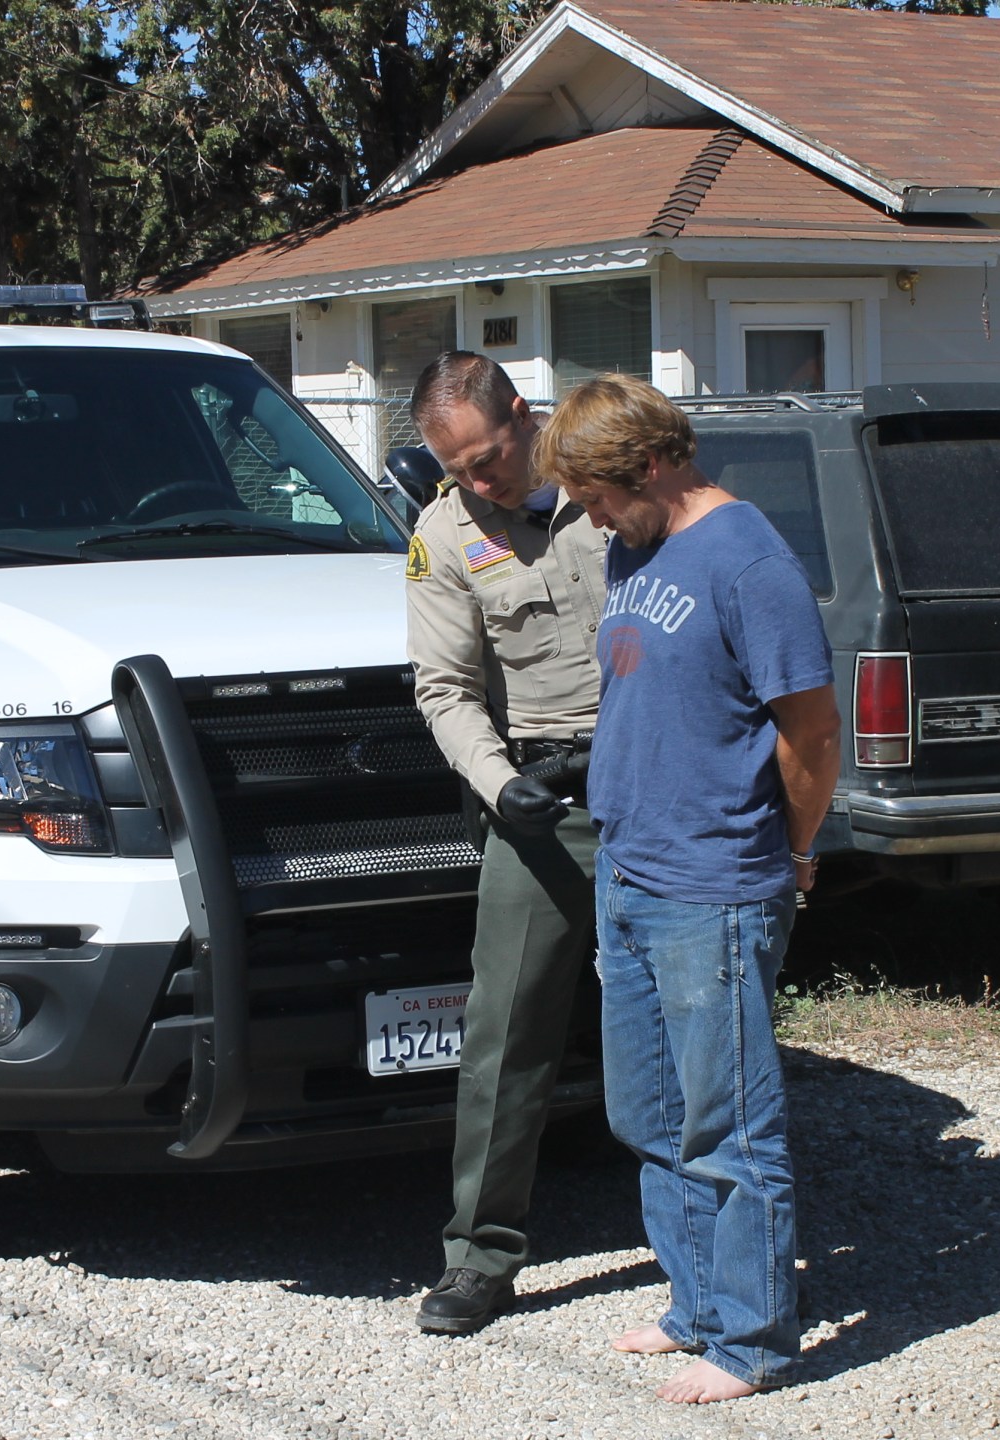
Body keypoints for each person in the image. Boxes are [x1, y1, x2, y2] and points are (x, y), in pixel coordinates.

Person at [531, 373, 842, 1404]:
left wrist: (788, 853)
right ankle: (695, 1307)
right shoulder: (640, 544)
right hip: (629, 868)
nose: (589, 515)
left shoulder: (749, 563)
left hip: (713, 882)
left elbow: (812, 734)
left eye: (598, 493)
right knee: (650, 1119)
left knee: (729, 1128)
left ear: (655, 465)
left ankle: (751, 1343)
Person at [403, 351, 612, 1335]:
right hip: (541, 796)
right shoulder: (445, 533)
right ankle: (479, 1258)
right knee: (506, 1031)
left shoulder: (606, 475)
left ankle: (713, 1244)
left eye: (486, 461)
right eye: (457, 471)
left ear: (522, 417)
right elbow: (443, 690)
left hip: (658, 777)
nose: (478, 486)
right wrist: (500, 786)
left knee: (689, 1011)